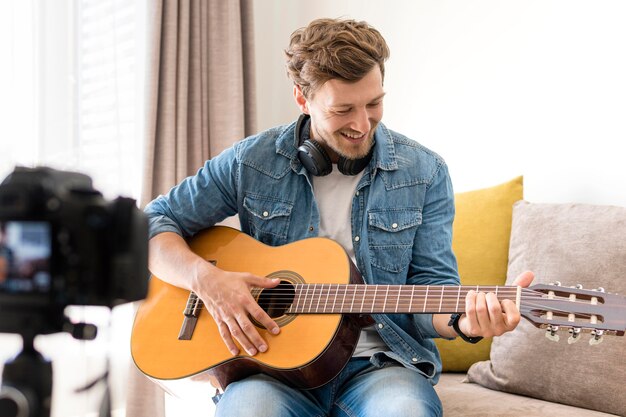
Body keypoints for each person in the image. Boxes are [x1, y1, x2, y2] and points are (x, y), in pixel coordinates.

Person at [144, 18, 534, 417]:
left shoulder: (425, 171)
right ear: (302, 98)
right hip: (270, 369)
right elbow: (153, 225)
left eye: (374, 103)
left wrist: (466, 323)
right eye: (343, 109)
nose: (362, 124)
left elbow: (433, 286)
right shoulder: (251, 161)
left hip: (383, 365)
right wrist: (207, 281)